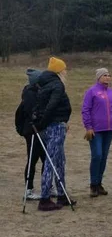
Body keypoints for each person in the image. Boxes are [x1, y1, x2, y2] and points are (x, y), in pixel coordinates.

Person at [35, 57, 74, 211]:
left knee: (59, 161)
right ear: (59, 71)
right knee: (51, 162)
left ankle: (61, 194)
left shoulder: (45, 84)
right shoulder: (57, 85)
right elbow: (52, 105)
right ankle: (45, 198)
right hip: (55, 126)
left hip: (52, 125)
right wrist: (44, 122)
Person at [81, 68, 112, 197]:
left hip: (109, 129)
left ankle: (99, 183)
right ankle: (93, 184)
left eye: (109, 75)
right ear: (99, 77)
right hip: (95, 130)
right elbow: (85, 109)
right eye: (105, 75)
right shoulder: (91, 91)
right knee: (97, 155)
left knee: (104, 156)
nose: (108, 77)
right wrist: (88, 127)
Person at [17, 68, 45, 200]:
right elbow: (31, 112)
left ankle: (47, 186)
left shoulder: (38, 91)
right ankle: (28, 190)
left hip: (40, 130)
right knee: (33, 159)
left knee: (45, 159)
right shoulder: (29, 93)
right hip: (32, 131)